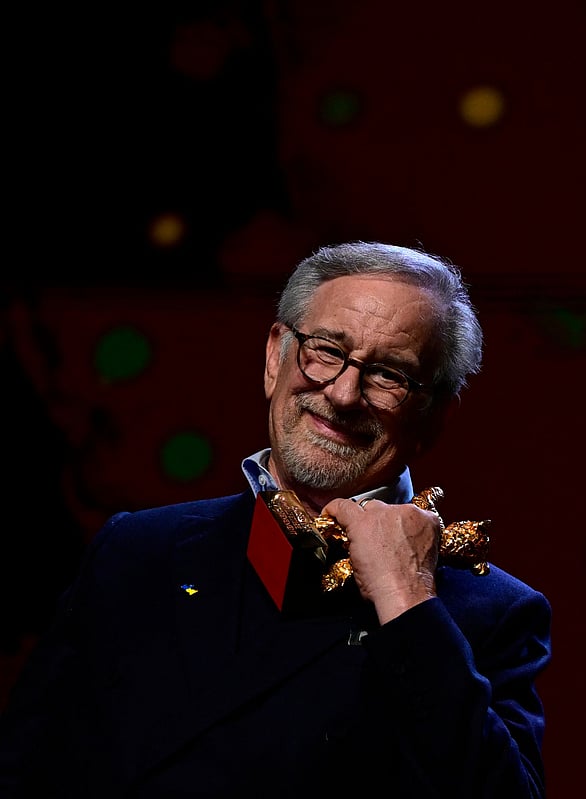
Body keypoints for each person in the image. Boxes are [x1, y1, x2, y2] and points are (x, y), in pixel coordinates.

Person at [0, 241, 552, 797]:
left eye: (389, 374)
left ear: (435, 417)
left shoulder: (493, 614)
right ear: (274, 358)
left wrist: (406, 598)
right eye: (326, 350)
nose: (342, 394)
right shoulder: (135, 550)